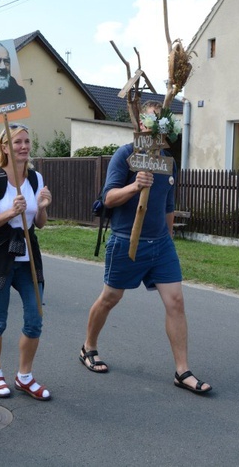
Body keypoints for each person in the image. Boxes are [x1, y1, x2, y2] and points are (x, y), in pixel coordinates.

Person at [79, 101, 212, 395]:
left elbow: (168, 205)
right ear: (139, 125)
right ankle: (89, 347)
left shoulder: (167, 161)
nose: (149, 125)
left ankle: (182, 371)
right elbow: (109, 198)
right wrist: (135, 186)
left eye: (156, 120)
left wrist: (168, 240)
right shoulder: (125, 155)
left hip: (160, 245)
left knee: (176, 301)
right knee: (110, 298)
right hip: (127, 240)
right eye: (146, 120)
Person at [0, 123, 52, 401]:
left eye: (27, 141)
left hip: (28, 256)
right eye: (16, 142)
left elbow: (39, 225)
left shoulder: (35, 178)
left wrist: (42, 208)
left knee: (35, 318)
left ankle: (25, 376)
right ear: (4, 147)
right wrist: (9, 212)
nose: (23, 146)